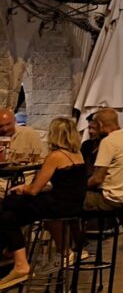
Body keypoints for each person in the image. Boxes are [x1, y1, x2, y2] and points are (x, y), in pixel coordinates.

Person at [0, 117, 86, 289]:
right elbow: (65, 185)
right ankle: (17, 257)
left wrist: (22, 188)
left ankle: (17, 259)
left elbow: (33, 190)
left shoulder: (55, 156)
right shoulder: (78, 154)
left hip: (57, 206)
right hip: (73, 205)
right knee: (9, 216)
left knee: (9, 202)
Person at [84, 108, 123, 212]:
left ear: (100, 124)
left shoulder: (108, 141)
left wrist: (79, 186)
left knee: (67, 199)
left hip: (109, 200)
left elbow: (97, 179)